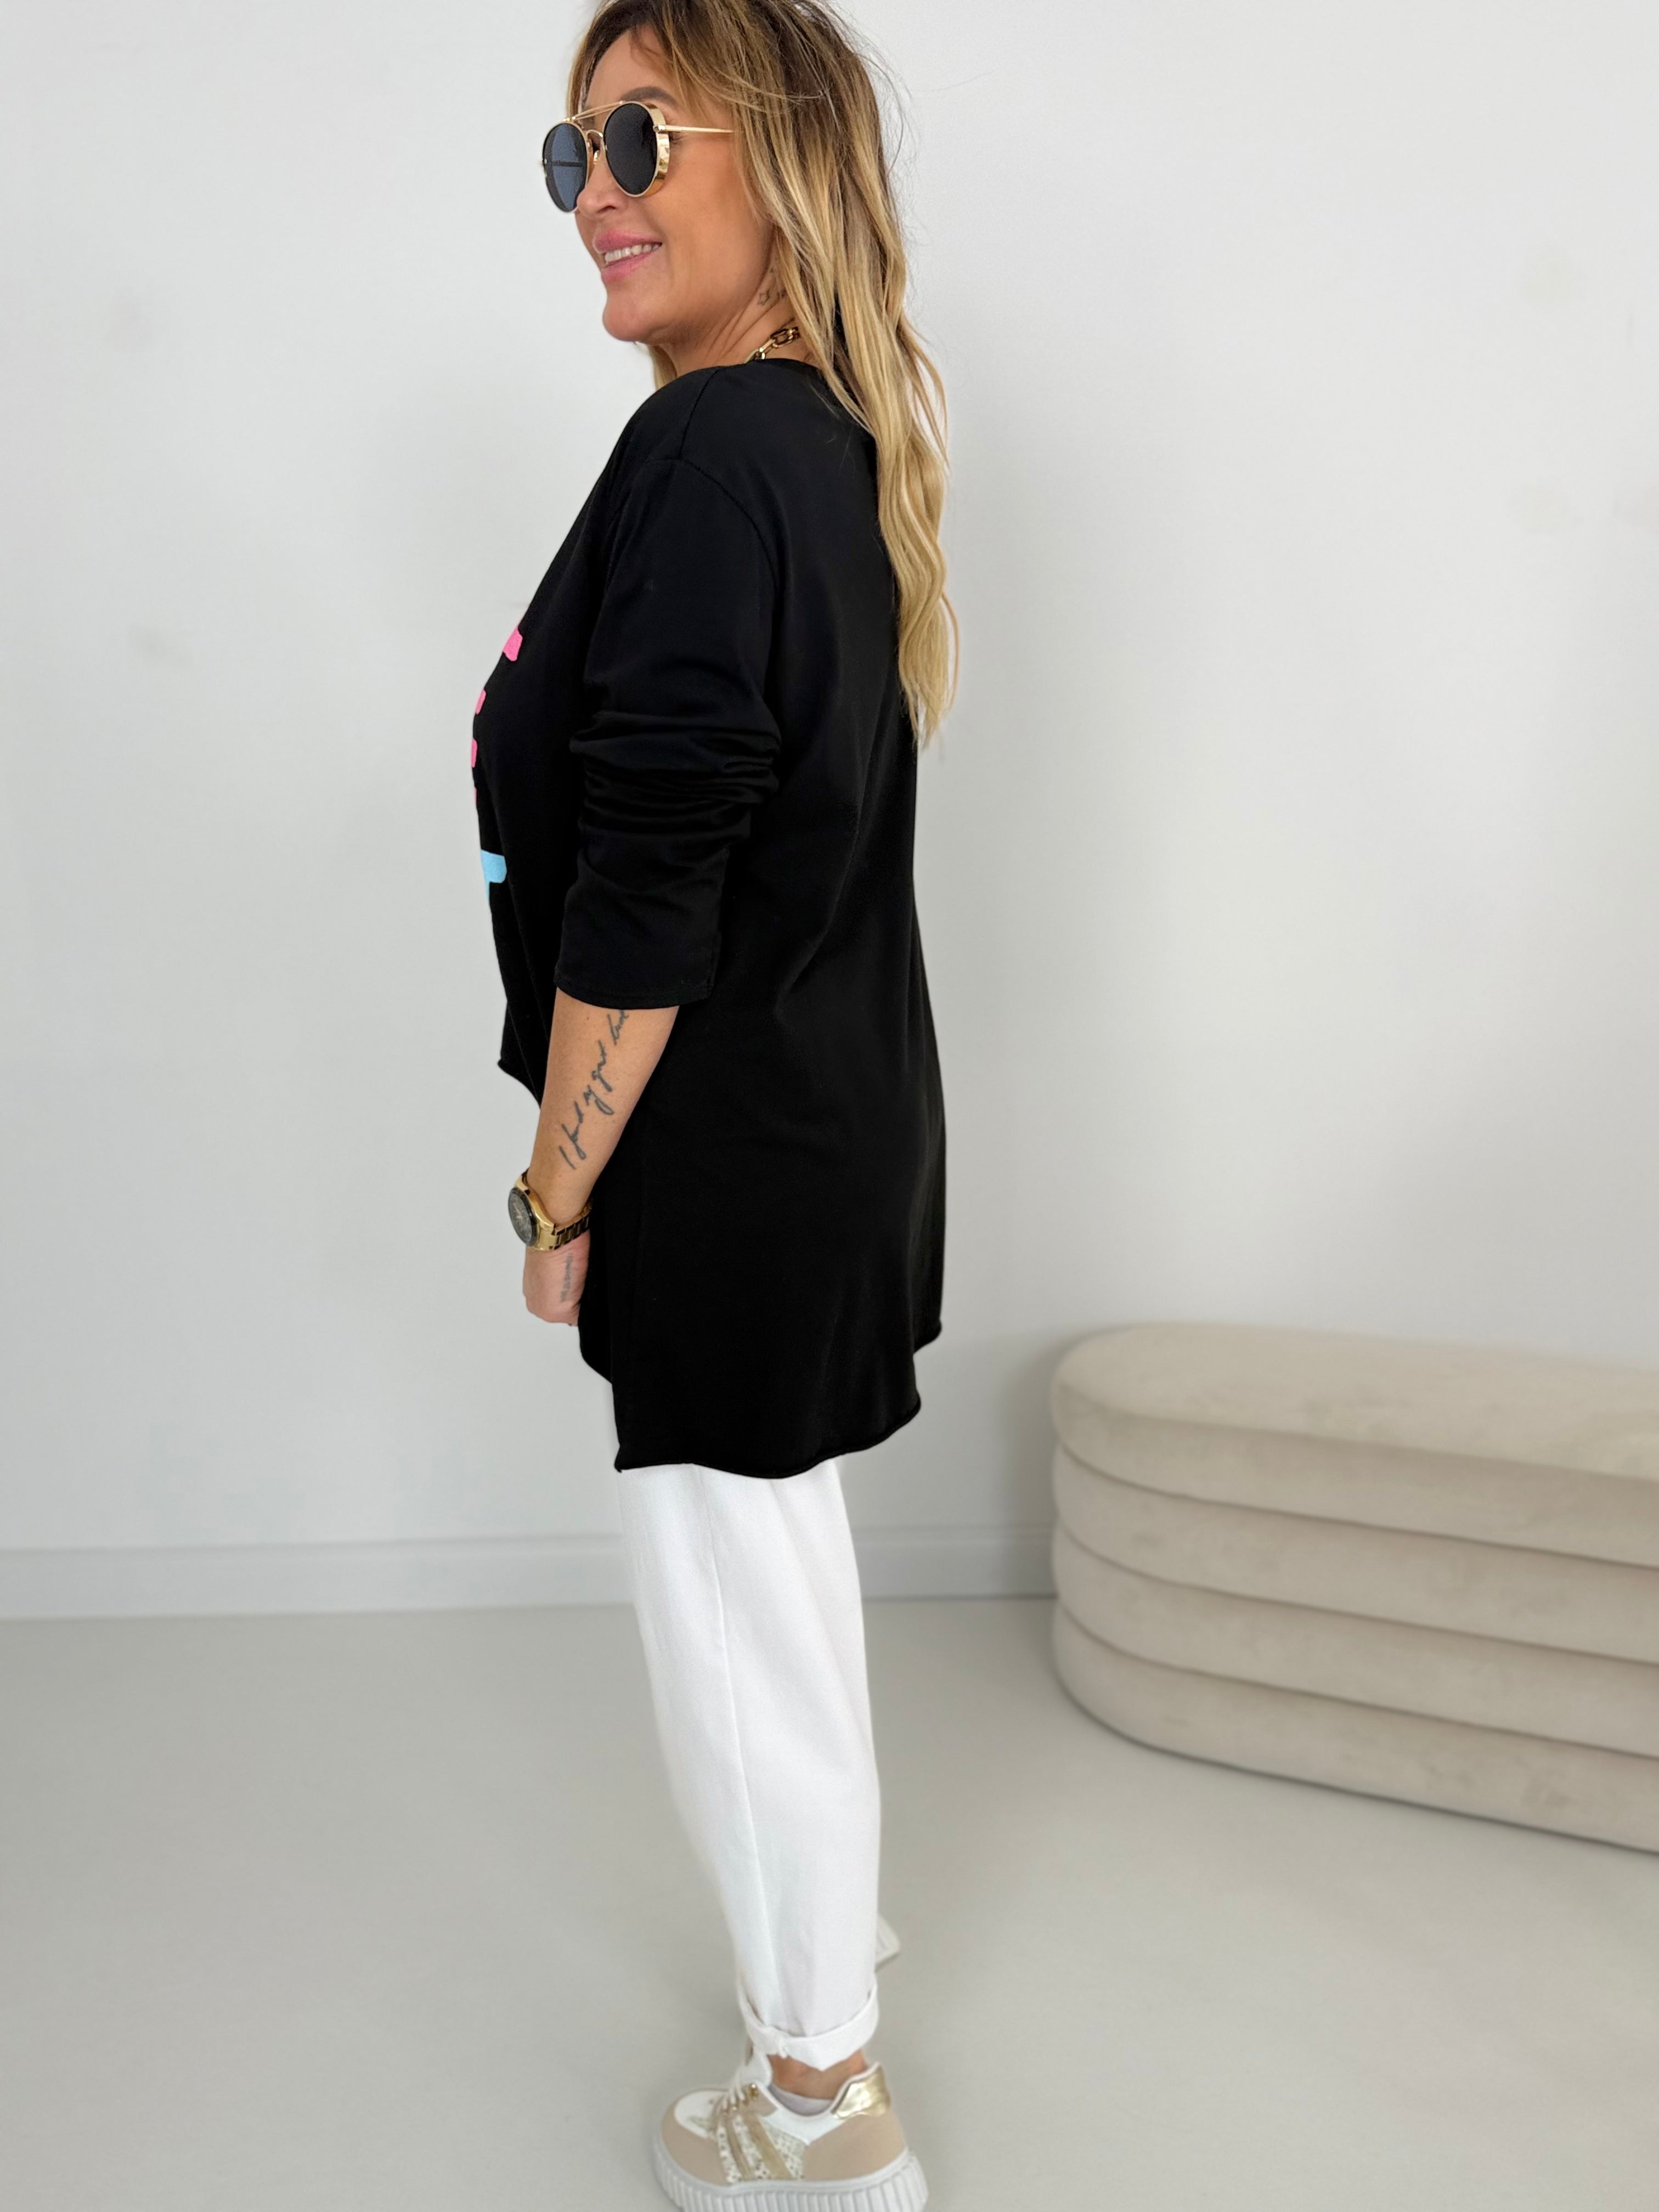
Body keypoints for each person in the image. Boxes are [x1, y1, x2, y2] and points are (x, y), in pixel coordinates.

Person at [470, 3, 953, 2203]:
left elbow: (647, 896)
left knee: (735, 1639)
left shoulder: (710, 460)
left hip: (725, 1155)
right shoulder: (811, 437)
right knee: (779, 1582)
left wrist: (553, 1192)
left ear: (787, 158)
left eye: (644, 139)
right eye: (571, 154)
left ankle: (823, 2108)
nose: (600, 194)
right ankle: (831, 1944)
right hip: (815, 1127)